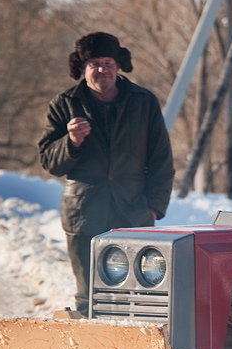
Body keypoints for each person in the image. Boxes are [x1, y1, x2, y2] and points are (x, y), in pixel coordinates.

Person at [38, 32, 174, 315]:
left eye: (108, 62)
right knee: (89, 296)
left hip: (134, 211)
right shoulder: (63, 104)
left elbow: (161, 159)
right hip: (84, 213)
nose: (102, 69)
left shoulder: (144, 101)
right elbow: (50, 162)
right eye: (94, 63)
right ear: (82, 68)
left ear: (119, 65)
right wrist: (70, 142)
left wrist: (154, 207)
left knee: (139, 291)